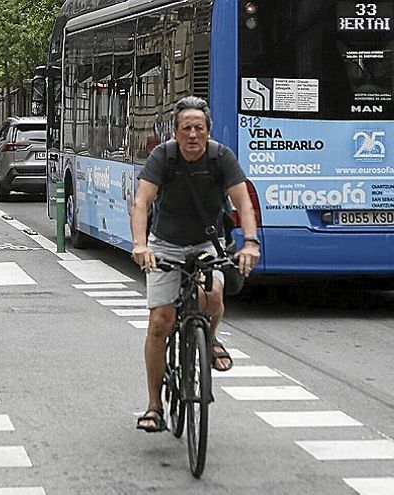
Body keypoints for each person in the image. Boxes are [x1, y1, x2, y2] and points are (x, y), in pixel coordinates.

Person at [130, 96, 260, 432]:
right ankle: (154, 405)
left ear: (207, 132)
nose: (192, 134)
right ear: (175, 132)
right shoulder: (164, 157)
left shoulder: (220, 158)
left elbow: (243, 203)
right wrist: (141, 245)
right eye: (186, 128)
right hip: (165, 244)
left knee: (214, 296)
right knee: (160, 320)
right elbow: (142, 202)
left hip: (207, 243)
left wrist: (250, 243)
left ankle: (211, 338)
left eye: (198, 128)